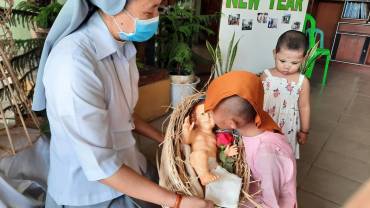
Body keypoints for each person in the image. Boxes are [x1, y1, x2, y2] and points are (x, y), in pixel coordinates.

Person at [31, 0, 213, 207]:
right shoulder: (73, 64)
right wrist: (177, 202)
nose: (156, 17)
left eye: (158, 8)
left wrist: (166, 139)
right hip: (92, 193)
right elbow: (101, 165)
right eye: (149, 10)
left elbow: (122, 114)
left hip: (129, 165)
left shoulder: (121, 47)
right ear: (113, 7)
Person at [204, 71, 297, 208]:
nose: (208, 114)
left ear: (232, 123)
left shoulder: (266, 153)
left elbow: (271, 203)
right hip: (253, 190)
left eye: (211, 112)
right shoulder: (256, 122)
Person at [261, 30, 310, 159]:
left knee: (284, 155)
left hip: (288, 127)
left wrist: (304, 130)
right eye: (282, 61)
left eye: (294, 63)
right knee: (264, 153)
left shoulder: (302, 81)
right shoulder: (266, 75)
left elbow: (304, 107)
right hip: (266, 122)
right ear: (274, 54)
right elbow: (257, 98)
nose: (287, 67)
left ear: (304, 59)